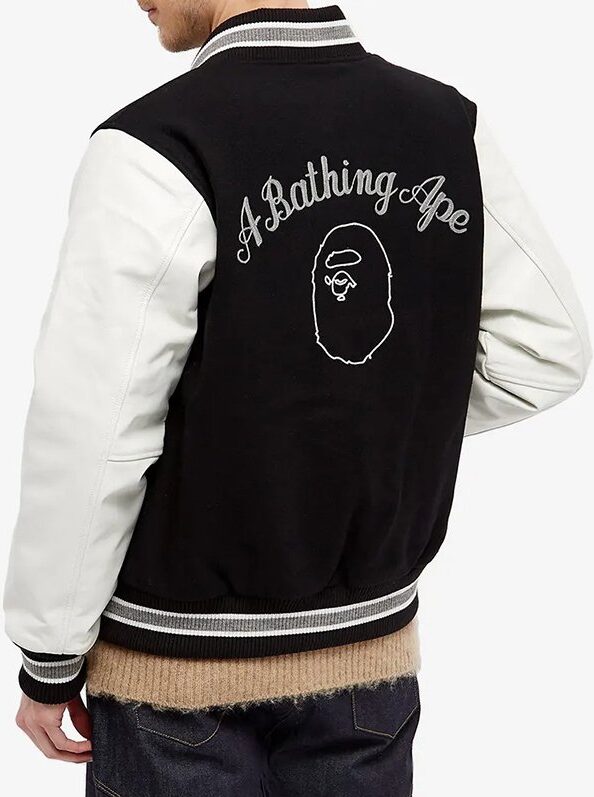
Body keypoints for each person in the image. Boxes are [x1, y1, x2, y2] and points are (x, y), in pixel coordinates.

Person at [4, 1, 590, 795]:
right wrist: (370, 420)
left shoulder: (157, 144)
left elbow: (94, 429)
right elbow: (544, 351)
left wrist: (49, 653)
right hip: (367, 672)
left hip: (175, 681)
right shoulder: (449, 127)